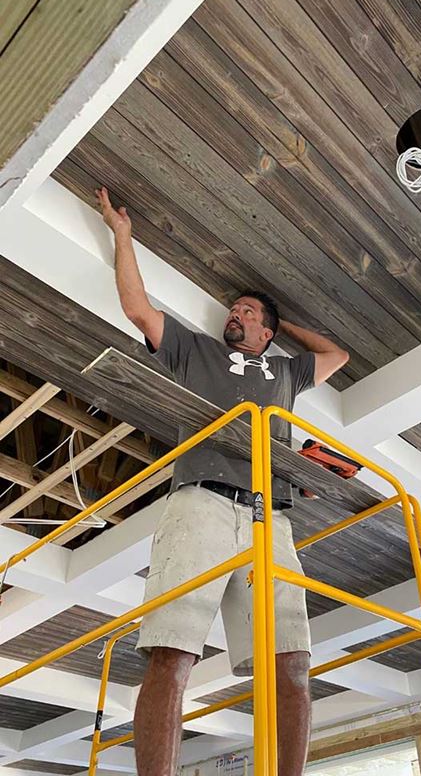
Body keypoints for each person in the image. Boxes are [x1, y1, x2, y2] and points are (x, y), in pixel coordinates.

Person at [96, 187, 349, 776]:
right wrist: (122, 234)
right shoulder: (196, 350)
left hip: (270, 516)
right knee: (173, 653)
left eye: (249, 313)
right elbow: (137, 307)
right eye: (233, 309)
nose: (235, 314)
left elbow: (338, 354)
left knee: (292, 662)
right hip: (201, 503)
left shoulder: (286, 371)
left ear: (267, 333)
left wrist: (285, 324)